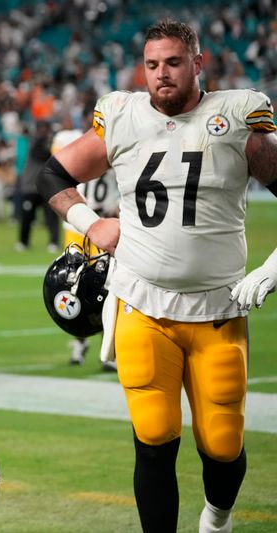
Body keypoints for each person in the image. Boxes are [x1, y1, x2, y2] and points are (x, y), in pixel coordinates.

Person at [37, 19, 277, 533]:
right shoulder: (122, 116)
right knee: (154, 437)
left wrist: (273, 269)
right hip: (142, 306)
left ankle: (217, 518)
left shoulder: (234, 116)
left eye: (172, 62)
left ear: (197, 62)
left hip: (217, 307)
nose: (161, 75)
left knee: (222, 443)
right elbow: (53, 175)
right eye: (151, 65)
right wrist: (90, 222)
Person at [50, 117, 119, 370]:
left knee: (97, 289)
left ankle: (99, 347)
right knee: (85, 288)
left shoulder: (74, 141)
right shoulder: (102, 143)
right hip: (88, 224)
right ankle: (90, 345)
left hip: (91, 226)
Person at [17, 120, 60, 252]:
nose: (44, 131)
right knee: (27, 216)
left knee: (51, 216)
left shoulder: (47, 141)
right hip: (30, 186)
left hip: (46, 186)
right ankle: (23, 242)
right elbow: (41, 153)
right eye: (42, 129)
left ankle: (53, 242)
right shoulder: (35, 142)